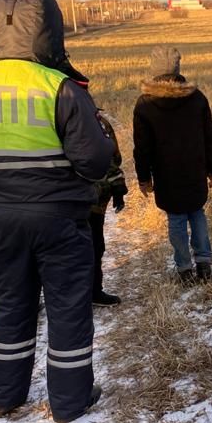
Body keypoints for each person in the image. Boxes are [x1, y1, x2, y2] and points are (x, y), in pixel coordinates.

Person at [0, 0, 114, 423]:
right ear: (49, 30)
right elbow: (96, 161)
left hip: (3, 219)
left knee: (10, 306)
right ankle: (69, 402)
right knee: (68, 308)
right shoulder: (60, 86)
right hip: (61, 219)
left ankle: (4, 396)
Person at [133, 45, 212, 286]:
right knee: (197, 213)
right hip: (195, 171)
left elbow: (142, 149)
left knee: (177, 219)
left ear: (154, 70)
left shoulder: (144, 104)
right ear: (177, 68)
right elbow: (208, 138)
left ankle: (184, 269)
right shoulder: (197, 98)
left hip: (166, 176)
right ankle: (204, 264)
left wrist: (144, 179)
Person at [89, 110, 127, 306]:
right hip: (90, 200)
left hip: (72, 201)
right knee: (93, 247)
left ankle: (88, 293)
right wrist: (117, 186)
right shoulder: (98, 122)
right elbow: (114, 157)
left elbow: (112, 158)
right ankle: (92, 292)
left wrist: (118, 187)